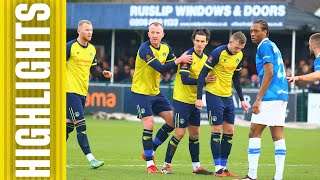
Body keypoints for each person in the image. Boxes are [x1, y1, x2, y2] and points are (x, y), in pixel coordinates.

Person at [131, 22, 192, 173]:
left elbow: (176, 65)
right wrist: (180, 59)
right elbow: (160, 67)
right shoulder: (145, 49)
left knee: (172, 122)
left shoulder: (166, 48)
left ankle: (149, 150)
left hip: (155, 92)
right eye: (152, 32)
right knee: (149, 122)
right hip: (141, 92)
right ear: (148, 34)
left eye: (158, 32)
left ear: (163, 34)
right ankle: (150, 163)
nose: (155, 35)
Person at [161, 28, 215, 175]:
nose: (199, 44)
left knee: (195, 134)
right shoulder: (188, 56)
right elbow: (185, 80)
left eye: (202, 41)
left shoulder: (205, 59)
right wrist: (203, 80)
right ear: (193, 41)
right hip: (182, 100)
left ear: (206, 43)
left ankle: (196, 167)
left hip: (194, 101)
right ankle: (166, 166)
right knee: (179, 133)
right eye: (197, 41)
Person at [239, 20, 288, 180]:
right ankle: (278, 177)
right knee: (277, 135)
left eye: (256, 31)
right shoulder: (273, 45)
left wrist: (258, 99)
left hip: (270, 96)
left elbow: (269, 73)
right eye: (251, 31)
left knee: (254, 132)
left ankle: (252, 176)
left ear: (265, 32)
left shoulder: (264, 46)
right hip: (282, 94)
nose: (252, 34)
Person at [195, 31, 249, 177]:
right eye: (237, 47)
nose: (238, 51)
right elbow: (202, 74)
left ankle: (224, 167)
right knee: (217, 129)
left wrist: (242, 99)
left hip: (228, 96)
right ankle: (218, 167)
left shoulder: (239, 55)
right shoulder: (218, 52)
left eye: (241, 49)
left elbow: (236, 78)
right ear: (231, 42)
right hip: (214, 95)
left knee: (230, 131)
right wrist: (199, 97)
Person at [66, 20, 112, 169]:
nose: (89, 32)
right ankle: (91, 159)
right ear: (79, 31)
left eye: (91, 30)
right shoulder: (70, 47)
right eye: (86, 30)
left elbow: (93, 71)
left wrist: (102, 74)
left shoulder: (92, 49)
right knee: (81, 124)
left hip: (82, 92)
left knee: (68, 126)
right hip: (69, 91)